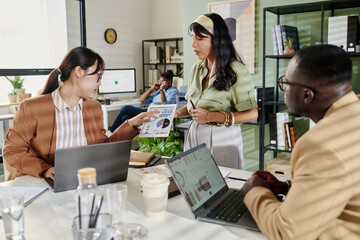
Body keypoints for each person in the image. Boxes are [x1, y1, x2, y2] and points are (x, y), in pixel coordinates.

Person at [240, 45, 360, 239]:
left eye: (286, 83)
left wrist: (253, 191)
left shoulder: (321, 145)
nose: (284, 90)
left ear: (306, 95)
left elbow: (286, 232)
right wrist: (291, 188)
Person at [3, 46, 157, 180]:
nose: (100, 82)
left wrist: (130, 125)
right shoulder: (32, 107)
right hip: (40, 184)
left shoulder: (93, 108)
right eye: (98, 76)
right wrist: (46, 169)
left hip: (81, 182)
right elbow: (12, 151)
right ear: (79, 72)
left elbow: (102, 149)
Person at [174, 13, 258, 169]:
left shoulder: (236, 70)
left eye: (200, 39)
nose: (193, 44)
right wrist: (176, 113)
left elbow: (253, 114)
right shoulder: (196, 68)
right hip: (194, 134)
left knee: (223, 187)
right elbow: (194, 106)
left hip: (223, 139)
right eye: (193, 38)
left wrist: (211, 116)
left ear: (217, 40)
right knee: (194, 183)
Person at [110, 71, 178, 132]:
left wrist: (161, 90)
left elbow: (165, 105)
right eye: (159, 81)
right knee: (125, 117)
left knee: (126, 108)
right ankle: (123, 140)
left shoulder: (173, 91)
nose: (160, 83)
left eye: (162, 81)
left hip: (156, 113)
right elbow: (142, 100)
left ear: (169, 82)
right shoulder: (158, 92)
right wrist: (152, 88)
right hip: (148, 110)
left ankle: (112, 132)